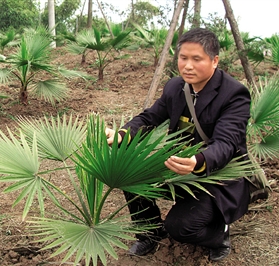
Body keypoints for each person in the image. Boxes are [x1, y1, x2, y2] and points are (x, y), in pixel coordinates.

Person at [105, 28, 251, 261]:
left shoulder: (234, 94)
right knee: (129, 176)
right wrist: (123, 134)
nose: (188, 66)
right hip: (177, 165)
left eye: (197, 59)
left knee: (181, 227)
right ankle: (150, 233)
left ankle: (218, 234)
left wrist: (199, 161)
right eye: (183, 58)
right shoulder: (176, 87)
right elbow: (149, 118)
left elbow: (226, 143)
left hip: (215, 174)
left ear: (214, 61)